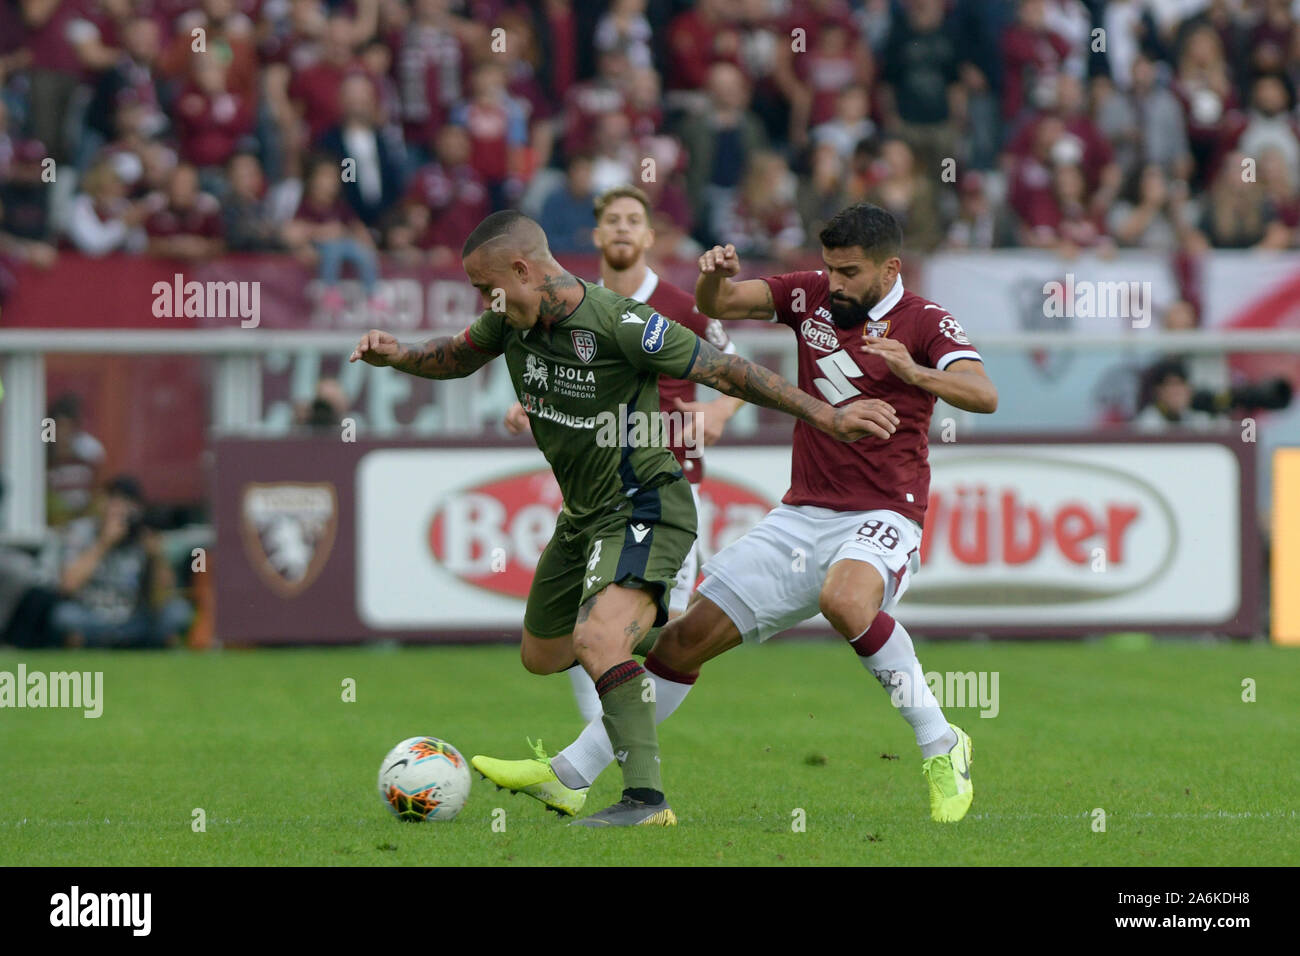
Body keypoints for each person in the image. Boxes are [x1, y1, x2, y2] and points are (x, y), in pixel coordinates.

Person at [348, 210, 896, 826]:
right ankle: (687, 636)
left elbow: (733, 373)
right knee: (543, 655)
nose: (485, 300)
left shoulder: (620, 322)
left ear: (523, 269)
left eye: (486, 286)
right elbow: (451, 357)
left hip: (646, 506)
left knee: (598, 640)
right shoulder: (510, 320)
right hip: (582, 517)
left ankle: (644, 799)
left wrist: (828, 417)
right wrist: (397, 356)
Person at [474, 203, 997, 824]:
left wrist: (916, 371)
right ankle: (568, 777)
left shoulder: (926, 321)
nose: (834, 284)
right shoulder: (808, 295)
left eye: (850, 272)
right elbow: (720, 306)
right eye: (829, 268)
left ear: (891, 268)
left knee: (848, 601)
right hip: (800, 515)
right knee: (682, 644)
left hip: (885, 511)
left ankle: (942, 743)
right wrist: (714, 279)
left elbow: (983, 393)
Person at [498, 184, 744, 733]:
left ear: (649, 235)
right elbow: (565, 379)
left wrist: (718, 415)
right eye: (613, 220)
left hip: (670, 483)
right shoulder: (570, 304)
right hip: (599, 487)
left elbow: (735, 368)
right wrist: (528, 406)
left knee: (659, 621)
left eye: (634, 219)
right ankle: (600, 754)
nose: (623, 228)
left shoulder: (682, 306)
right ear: (597, 234)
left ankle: (600, 758)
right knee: (591, 618)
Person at [51, 476, 192, 649]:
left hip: (134, 617)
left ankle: (114, 641)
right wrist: (104, 543)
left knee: (178, 612)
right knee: (64, 615)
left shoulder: (142, 534)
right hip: (92, 616)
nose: (120, 512)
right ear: (102, 504)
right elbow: (67, 585)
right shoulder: (81, 531)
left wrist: (157, 557)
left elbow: (165, 595)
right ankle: (122, 642)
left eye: (127, 506)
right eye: (115, 504)